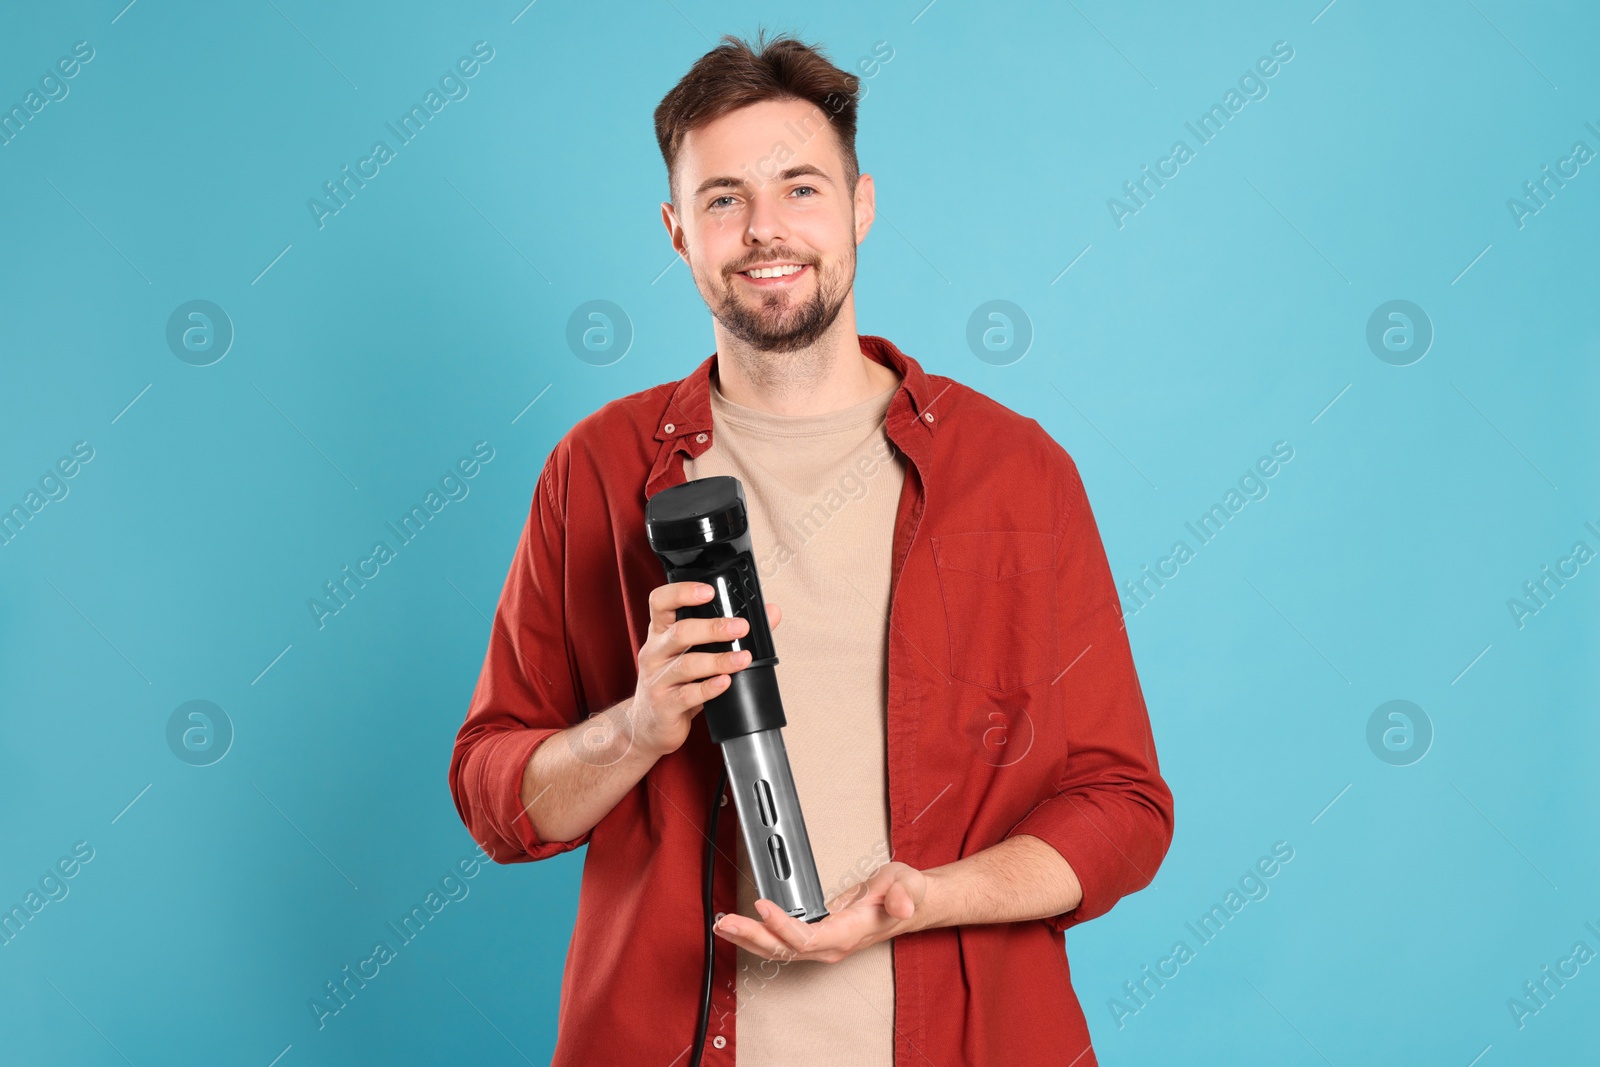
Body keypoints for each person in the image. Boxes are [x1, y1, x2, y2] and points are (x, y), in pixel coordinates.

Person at [448, 29, 1174, 1067]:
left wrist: (926, 898)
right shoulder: (598, 469)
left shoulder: (1015, 472)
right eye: (723, 198)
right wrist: (637, 727)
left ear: (859, 205)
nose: (764, 230)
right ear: (675, 230)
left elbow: (1122, 805)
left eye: (799, 188)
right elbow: (495, 796)